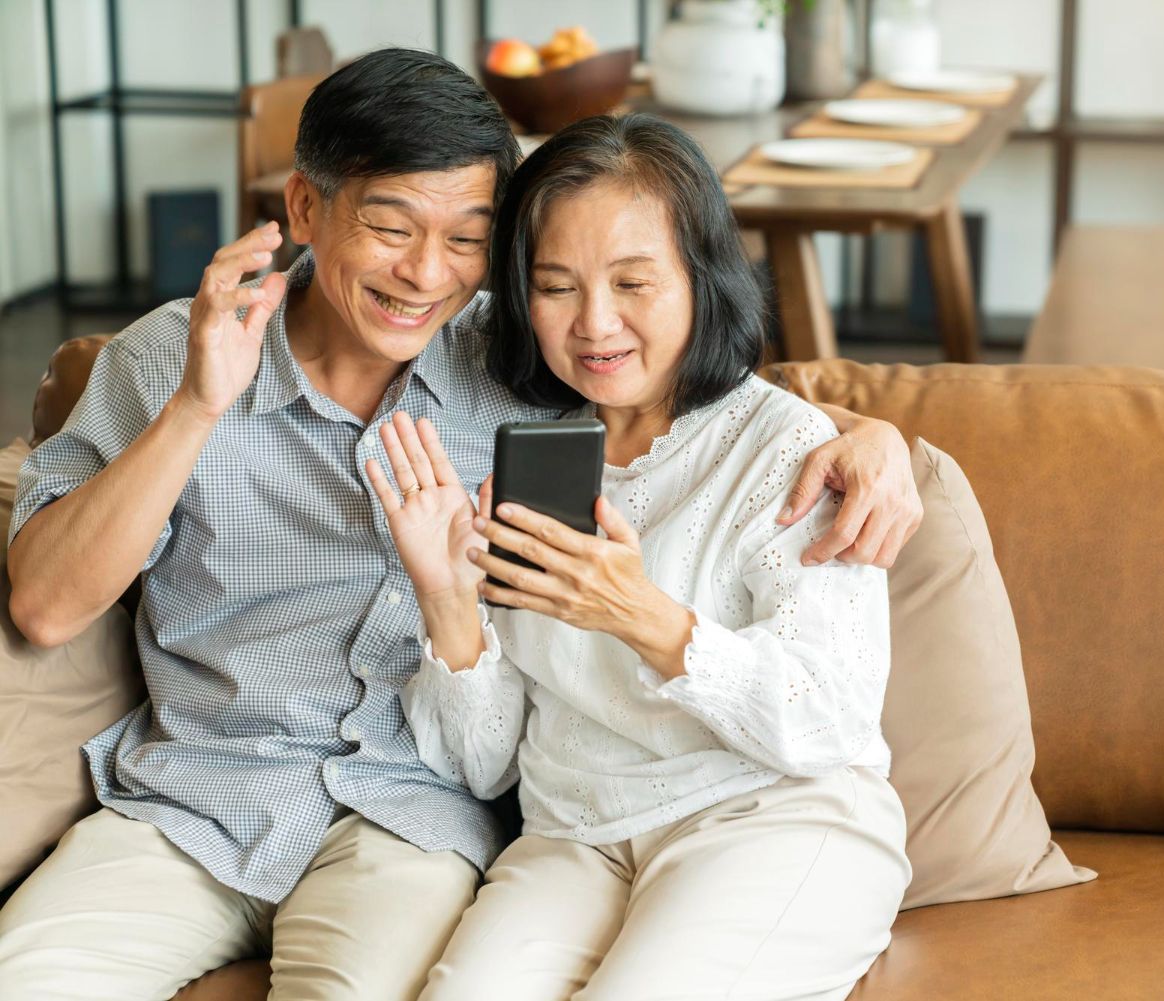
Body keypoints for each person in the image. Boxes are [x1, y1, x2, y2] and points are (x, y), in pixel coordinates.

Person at [0, 51, 919, 1001]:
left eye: (468, 239)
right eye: (391, 227)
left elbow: (684, 399)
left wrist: (872, 435)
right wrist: (197, 408)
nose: (426, 275)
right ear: (306, 210)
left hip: (409, 816)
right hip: (194, 800)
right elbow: (45, 608)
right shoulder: (171, 357)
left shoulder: (514, 361)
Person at [373, 113, 912, 1001]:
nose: (594, 324)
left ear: (703, 279)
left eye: (634, 282)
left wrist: (639, 613)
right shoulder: (519, 449)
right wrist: (447, 602)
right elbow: (484, 765)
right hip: (574, 837)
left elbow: (830, 721)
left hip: (772, 818)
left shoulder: (792, 452)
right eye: (555, 285)